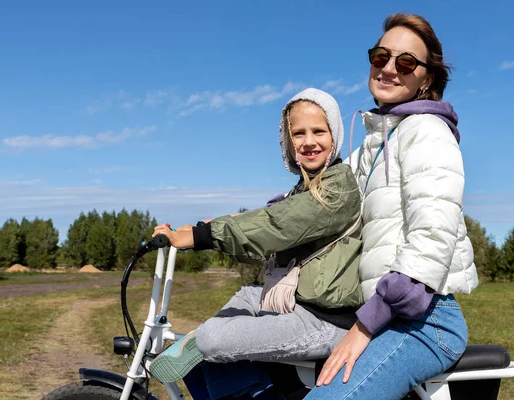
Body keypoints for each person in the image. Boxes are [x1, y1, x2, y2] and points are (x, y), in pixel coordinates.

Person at [304, 13, 478, 400]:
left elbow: (431, 239)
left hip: (425, 321)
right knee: (217, 366)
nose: (388, 68)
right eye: (380, 56)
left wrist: (364, 328)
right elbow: (318, 199)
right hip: (385, 317)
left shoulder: (427, 133)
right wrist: (226, 227)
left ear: (426, 78)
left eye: (405, 63)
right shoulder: (374, 142)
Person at [149, 88, 364, 387]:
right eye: (298, 134)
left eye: (319, 131)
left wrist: (201, 236)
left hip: (327, 321)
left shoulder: (338, 186)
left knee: (211, 340)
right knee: (249, 295)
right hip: (297, 304)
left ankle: (208, 341)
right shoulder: (302, 189)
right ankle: (219, 360)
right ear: (288, 143)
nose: (309, 141)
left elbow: (276, 225)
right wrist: (197, 226)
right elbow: (263, 216)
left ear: (335, 135)